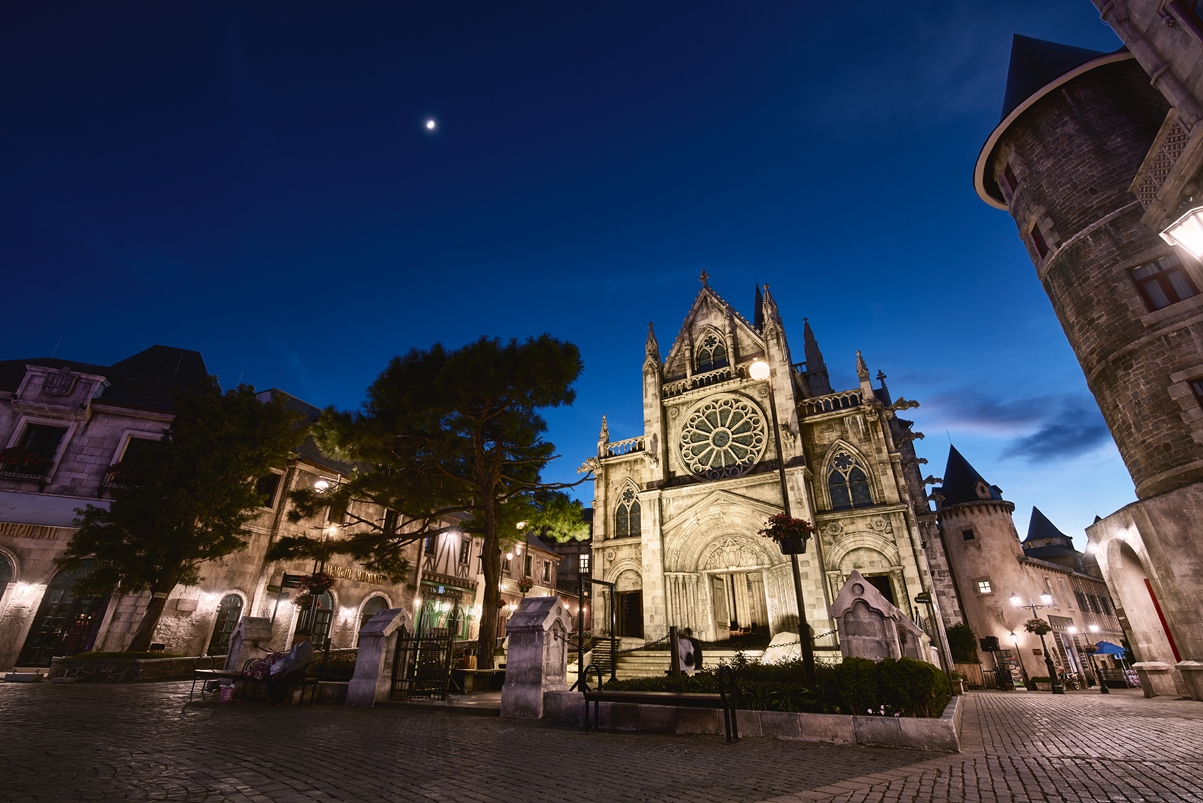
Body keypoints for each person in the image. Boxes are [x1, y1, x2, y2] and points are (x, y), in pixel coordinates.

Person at [267, 627, 313, 704]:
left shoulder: (307, 647)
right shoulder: (295, 646)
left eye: (298, 636)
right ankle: (273, 696)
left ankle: (282, 699)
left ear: (303, 636)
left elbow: (301, 662)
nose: (296, 637)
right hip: (290, 668)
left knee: (284, 679)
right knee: (272, 677)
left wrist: (287, 672)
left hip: (300, 670)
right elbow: (290, 658)